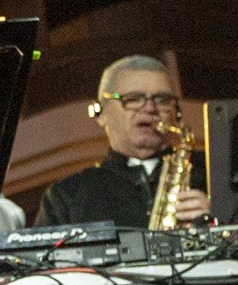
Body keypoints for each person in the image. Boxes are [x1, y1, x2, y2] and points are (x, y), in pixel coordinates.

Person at [38, 55, 209, 228]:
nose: (150, 108)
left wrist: (218, 220)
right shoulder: (66, 195)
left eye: (162, 100)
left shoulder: (213, 172)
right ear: (101, 113)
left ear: (177, 113)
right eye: (133, 99)